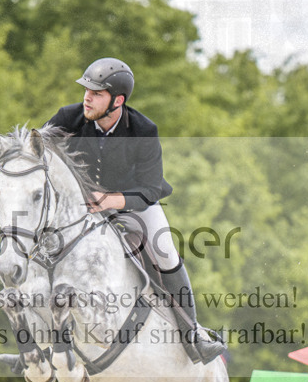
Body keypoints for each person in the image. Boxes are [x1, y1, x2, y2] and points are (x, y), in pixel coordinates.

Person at [45, 57, 226, 364]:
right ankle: (32, 346)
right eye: (86, 90)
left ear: (118, 100)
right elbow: (38, 147)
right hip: (82, 207)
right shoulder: (69, 117)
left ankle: (192, 335)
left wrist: (113, 200)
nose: (87, 97)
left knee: (166, 252)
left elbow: (152, 187)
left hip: (133, 205)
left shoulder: (144, 129)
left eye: (96, 93)